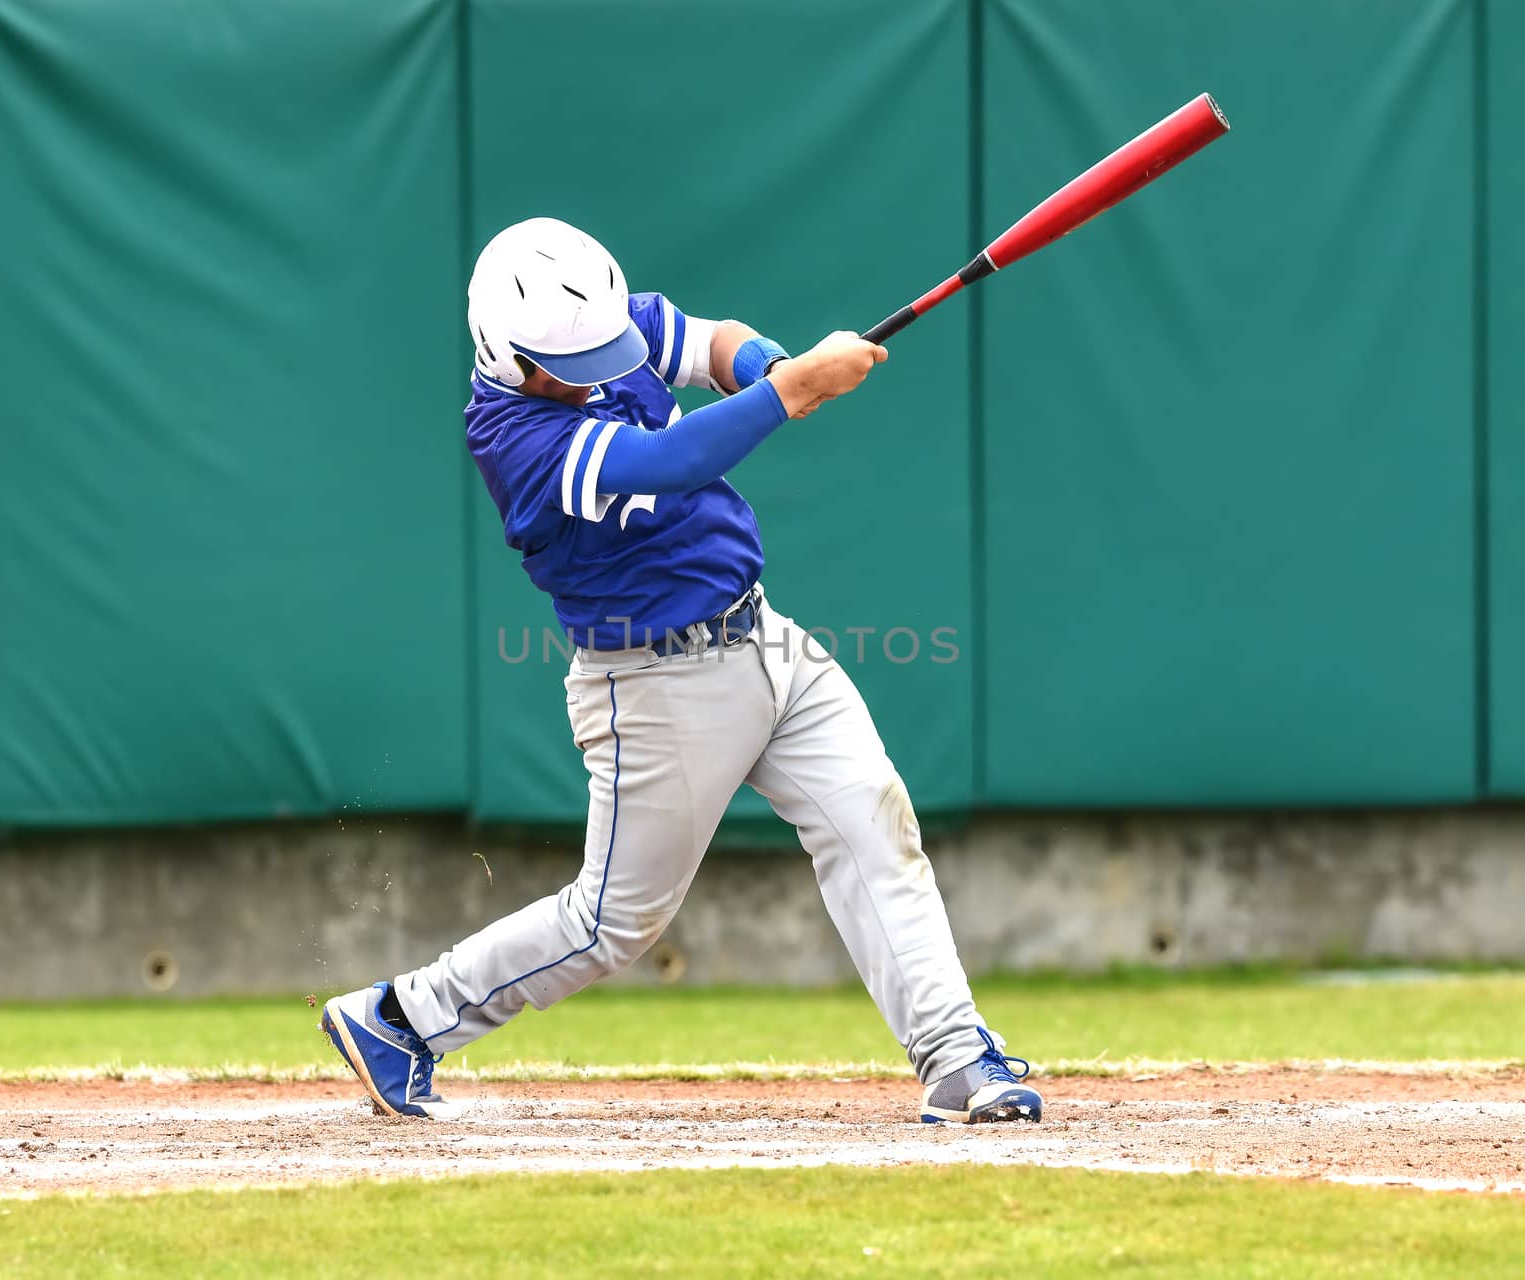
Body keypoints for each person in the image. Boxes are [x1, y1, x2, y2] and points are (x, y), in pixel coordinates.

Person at [320, 217, 1041, 1126]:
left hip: (765, 638)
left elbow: (707, 343)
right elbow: (666, 463)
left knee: (874, 828)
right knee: (610, 925)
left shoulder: (598, 330)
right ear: (506, 353)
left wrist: (769, 365)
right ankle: (402, 1019)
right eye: (571, 359)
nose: (600, 366)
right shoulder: (514, 438)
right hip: (654, 687)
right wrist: (791, 389)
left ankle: (957, 1058)